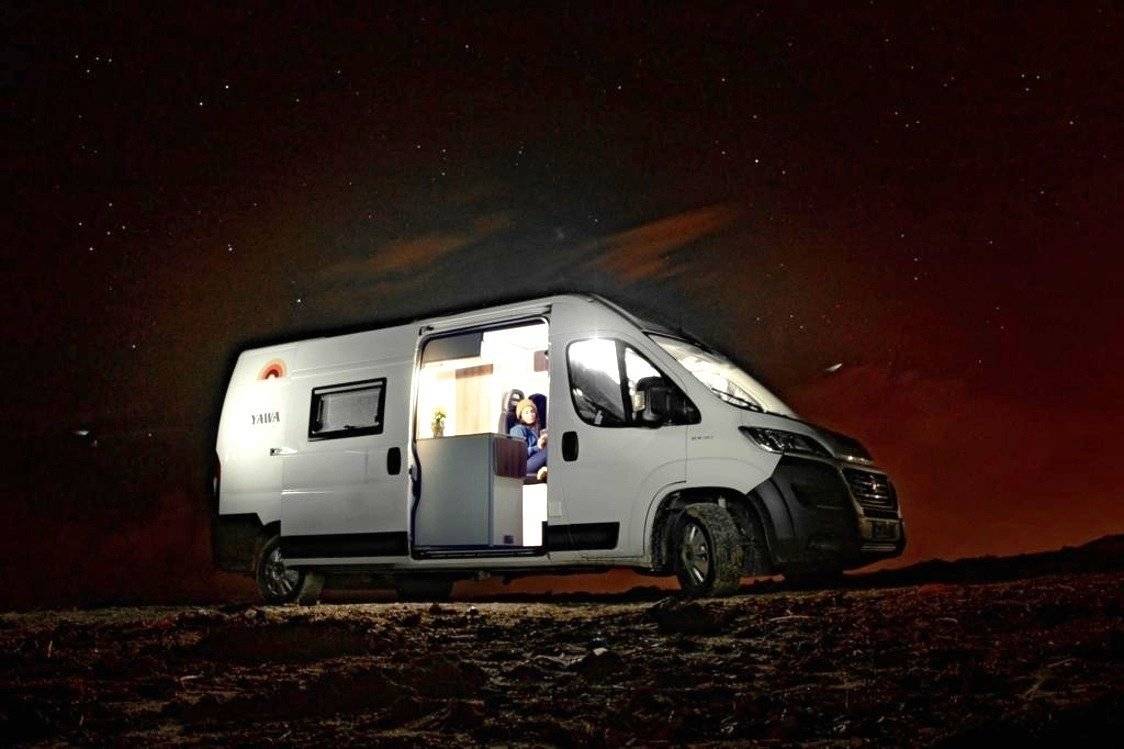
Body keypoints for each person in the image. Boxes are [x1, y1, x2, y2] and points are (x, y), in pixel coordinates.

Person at [509, 397, 548, 481]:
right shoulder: (518, 429)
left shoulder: (533, 430)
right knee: (549, 450)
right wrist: (538, 447)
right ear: (521, 416)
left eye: (532, 411)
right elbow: (519, 454)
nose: (530, 414)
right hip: (523, 466)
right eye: (526, 412)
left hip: (532, 462)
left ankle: (545, 470)